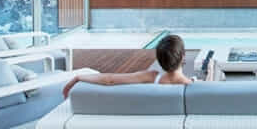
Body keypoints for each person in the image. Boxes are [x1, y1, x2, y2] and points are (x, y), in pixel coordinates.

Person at [63, 34, 211, 98]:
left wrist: (78, 77)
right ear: (183, 57)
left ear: (159, 59)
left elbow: (109, 79)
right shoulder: (195, 85)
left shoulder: (151, 77)